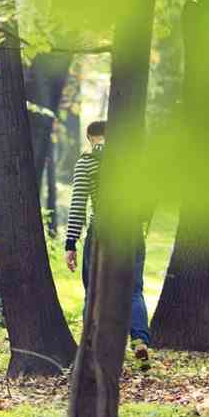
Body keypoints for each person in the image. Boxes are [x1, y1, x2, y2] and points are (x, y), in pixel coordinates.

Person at [65, 120, 151, 369]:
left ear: (91, 139)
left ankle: (91, 346)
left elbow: (77, 206)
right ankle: (139, 340)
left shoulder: (86, 163)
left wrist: (71, 243)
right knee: (134, 290)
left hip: (101, 231)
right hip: (131, 230)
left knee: (94, 291)